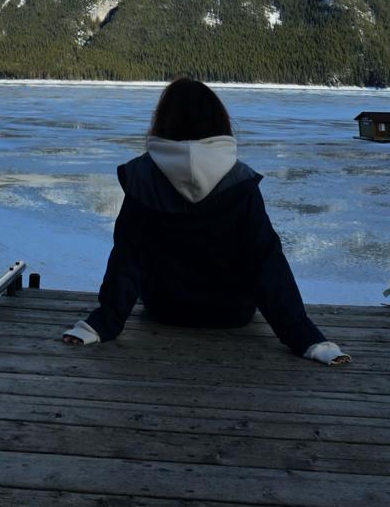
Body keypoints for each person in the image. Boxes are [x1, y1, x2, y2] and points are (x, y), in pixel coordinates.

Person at [62, 77, 350, 365]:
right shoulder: (240, 182)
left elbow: (127, 260)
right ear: (219, 122)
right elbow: (266, 263)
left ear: (163, 121)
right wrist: (307, 339)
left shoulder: (143, 179)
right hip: (231, 314)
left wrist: (102, 324)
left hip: (166, 309)